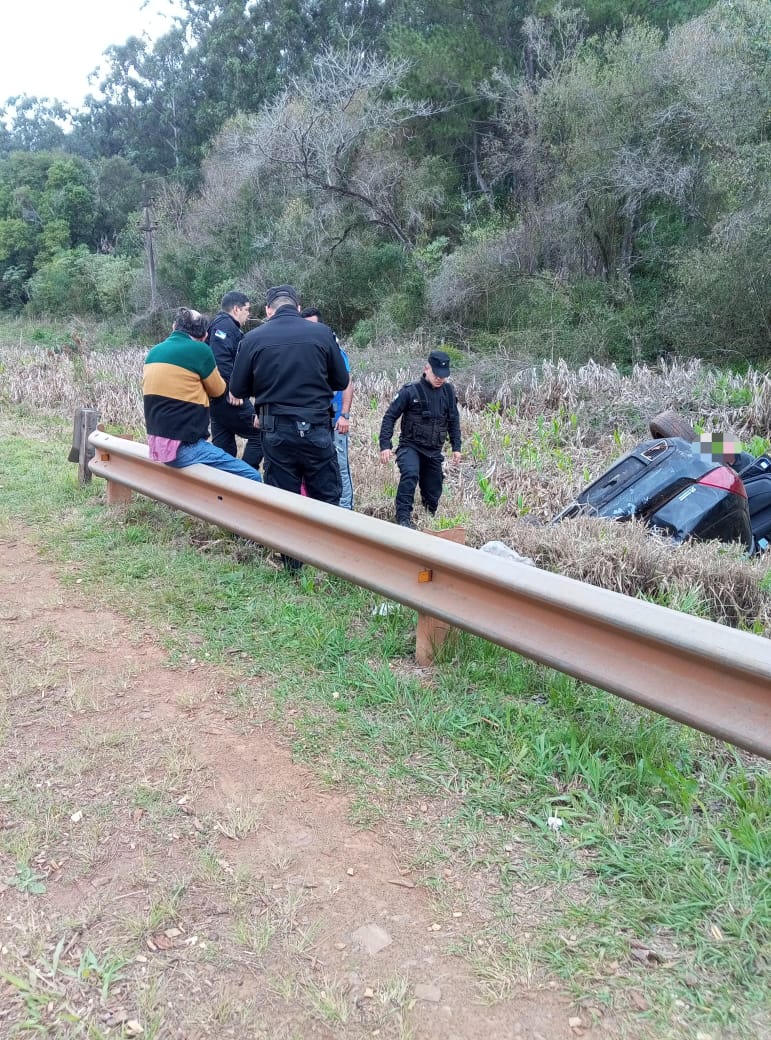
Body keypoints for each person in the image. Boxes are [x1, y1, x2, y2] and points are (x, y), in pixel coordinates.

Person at [230, 285, 349, 567]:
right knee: (327, 496)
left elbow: (237, 388)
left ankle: (293, 568)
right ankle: (330, 563)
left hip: (277, 430)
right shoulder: (322, 333)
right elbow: (341, 381)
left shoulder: (252, 339)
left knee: (284, 499)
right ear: (297, 307)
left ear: (268, 310)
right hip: (318, 427)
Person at [142, 307, 262, 483]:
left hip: (157, 446)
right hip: (185, 446)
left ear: (174, 326)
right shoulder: (199, 350)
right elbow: (219, 390)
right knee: (252, 477)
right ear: (204, 334)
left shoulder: (153, 353)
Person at [379, 350, 462, 528]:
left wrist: (457, 447)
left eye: (444, 376)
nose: (440, 379)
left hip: (433, 450)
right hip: (411, 446)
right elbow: (390, 417)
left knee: (434, 488)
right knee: (410, 474)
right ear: (427, 369)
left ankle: (428, 517)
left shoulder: (448, 392)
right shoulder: (410, 391)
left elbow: (454, 420)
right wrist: (385, 445)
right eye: (437, 375)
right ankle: (403, 519)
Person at [302, 306, 354, 509]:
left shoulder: (334, 350)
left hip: (335, 419)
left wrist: (345, 415)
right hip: (314, 420)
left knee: (340, 466)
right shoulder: (304, 351)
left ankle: (346, 511)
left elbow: (348, 383)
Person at [207, 291, 263, 470]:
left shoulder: (222, 325)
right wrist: (234, 389)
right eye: (247, 310)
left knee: (223, 447)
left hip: (217, 399)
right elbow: (221, 361)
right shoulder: (224, 327)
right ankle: (243, 478)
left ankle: (225, 486)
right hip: (228, 397)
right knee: (261, 432)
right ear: (236, 309)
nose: (248, 315)